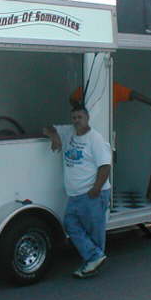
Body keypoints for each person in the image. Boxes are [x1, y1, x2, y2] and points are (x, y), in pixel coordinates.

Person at [43, 106, 112, 278]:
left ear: (87, 118)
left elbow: (105, 166)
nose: (76, 120)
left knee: (94, 232)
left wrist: (96, 189)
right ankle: (95, 258)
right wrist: (54, 137)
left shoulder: (95, 139)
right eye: (73, 117)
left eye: (79, 117)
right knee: (70, 224)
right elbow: (47, 127)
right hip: (75, 195)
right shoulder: (68, 132)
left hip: (92, 193)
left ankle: (93, 262)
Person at [70, 82, 151, 112]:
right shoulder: (88, 86)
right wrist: (81, 111)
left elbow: (133, 94)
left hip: (106, 126)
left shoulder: (113, 87)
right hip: (87, 126)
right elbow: (72, 99)